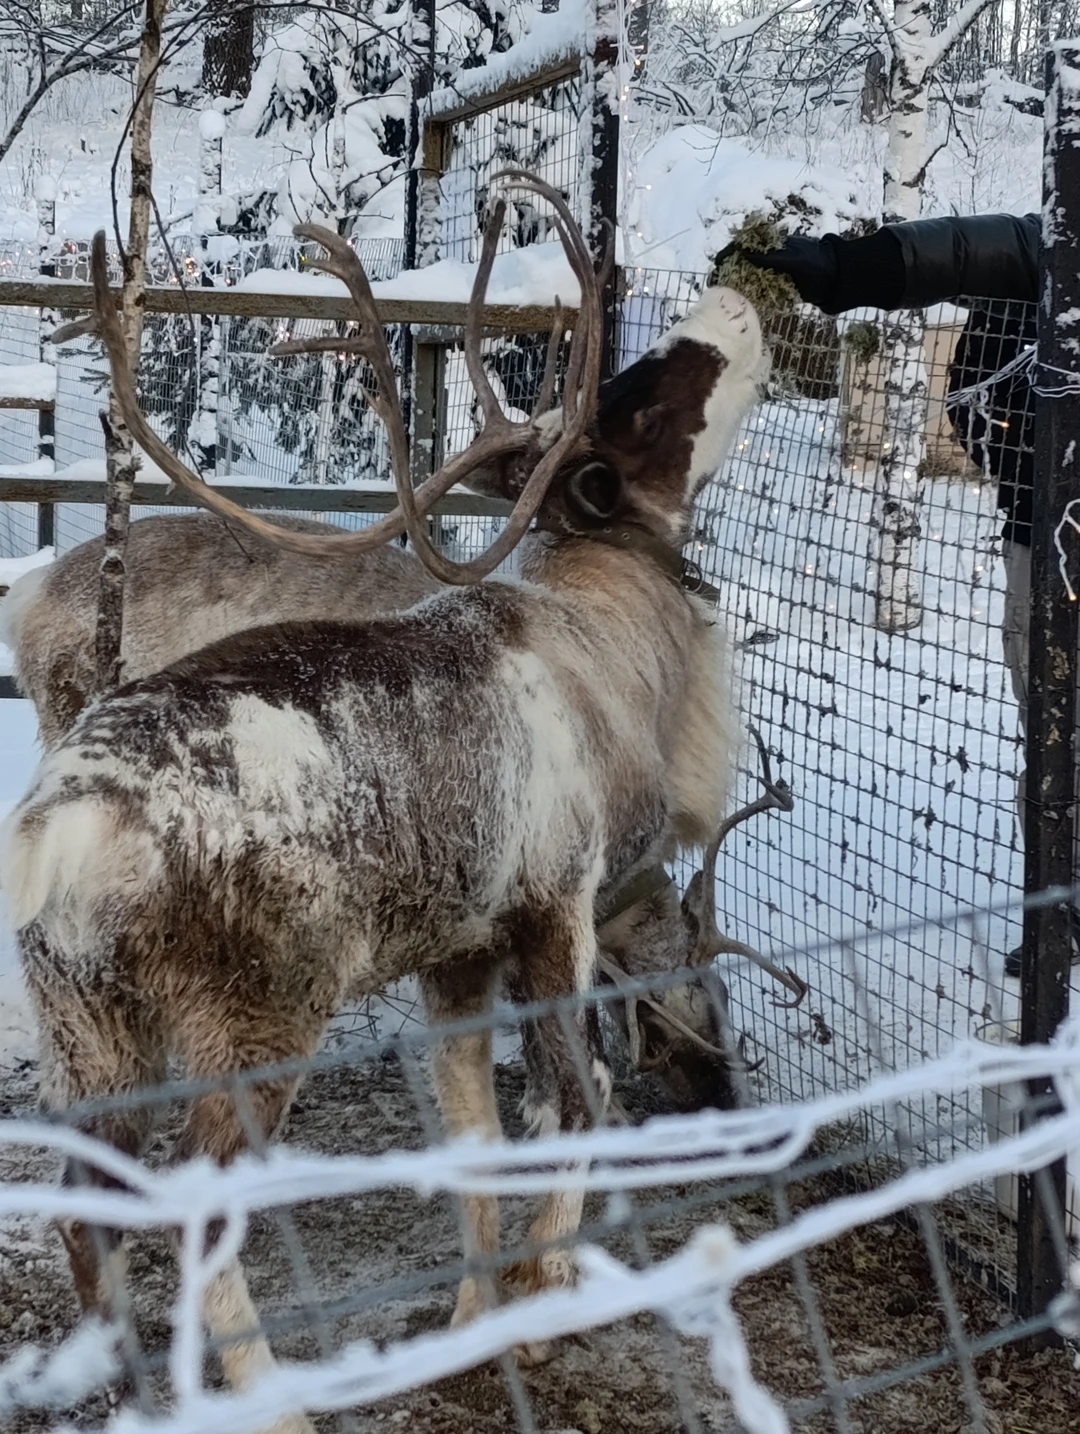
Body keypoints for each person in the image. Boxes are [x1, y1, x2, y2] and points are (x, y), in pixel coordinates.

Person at [721, 213, 1066, 978]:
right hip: (1039, 543)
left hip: (1042, 535)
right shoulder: (1050, 246)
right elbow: (962, 256)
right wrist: (850, 269)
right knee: (1051, 740)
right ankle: (1061, 913)